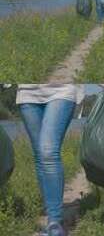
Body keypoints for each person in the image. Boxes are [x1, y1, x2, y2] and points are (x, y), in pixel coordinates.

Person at [17, 84, 84, 236]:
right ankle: (51, 214)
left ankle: (55, 223)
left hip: (61, 90)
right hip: (27, 93)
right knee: (40, 156)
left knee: (48, 152)